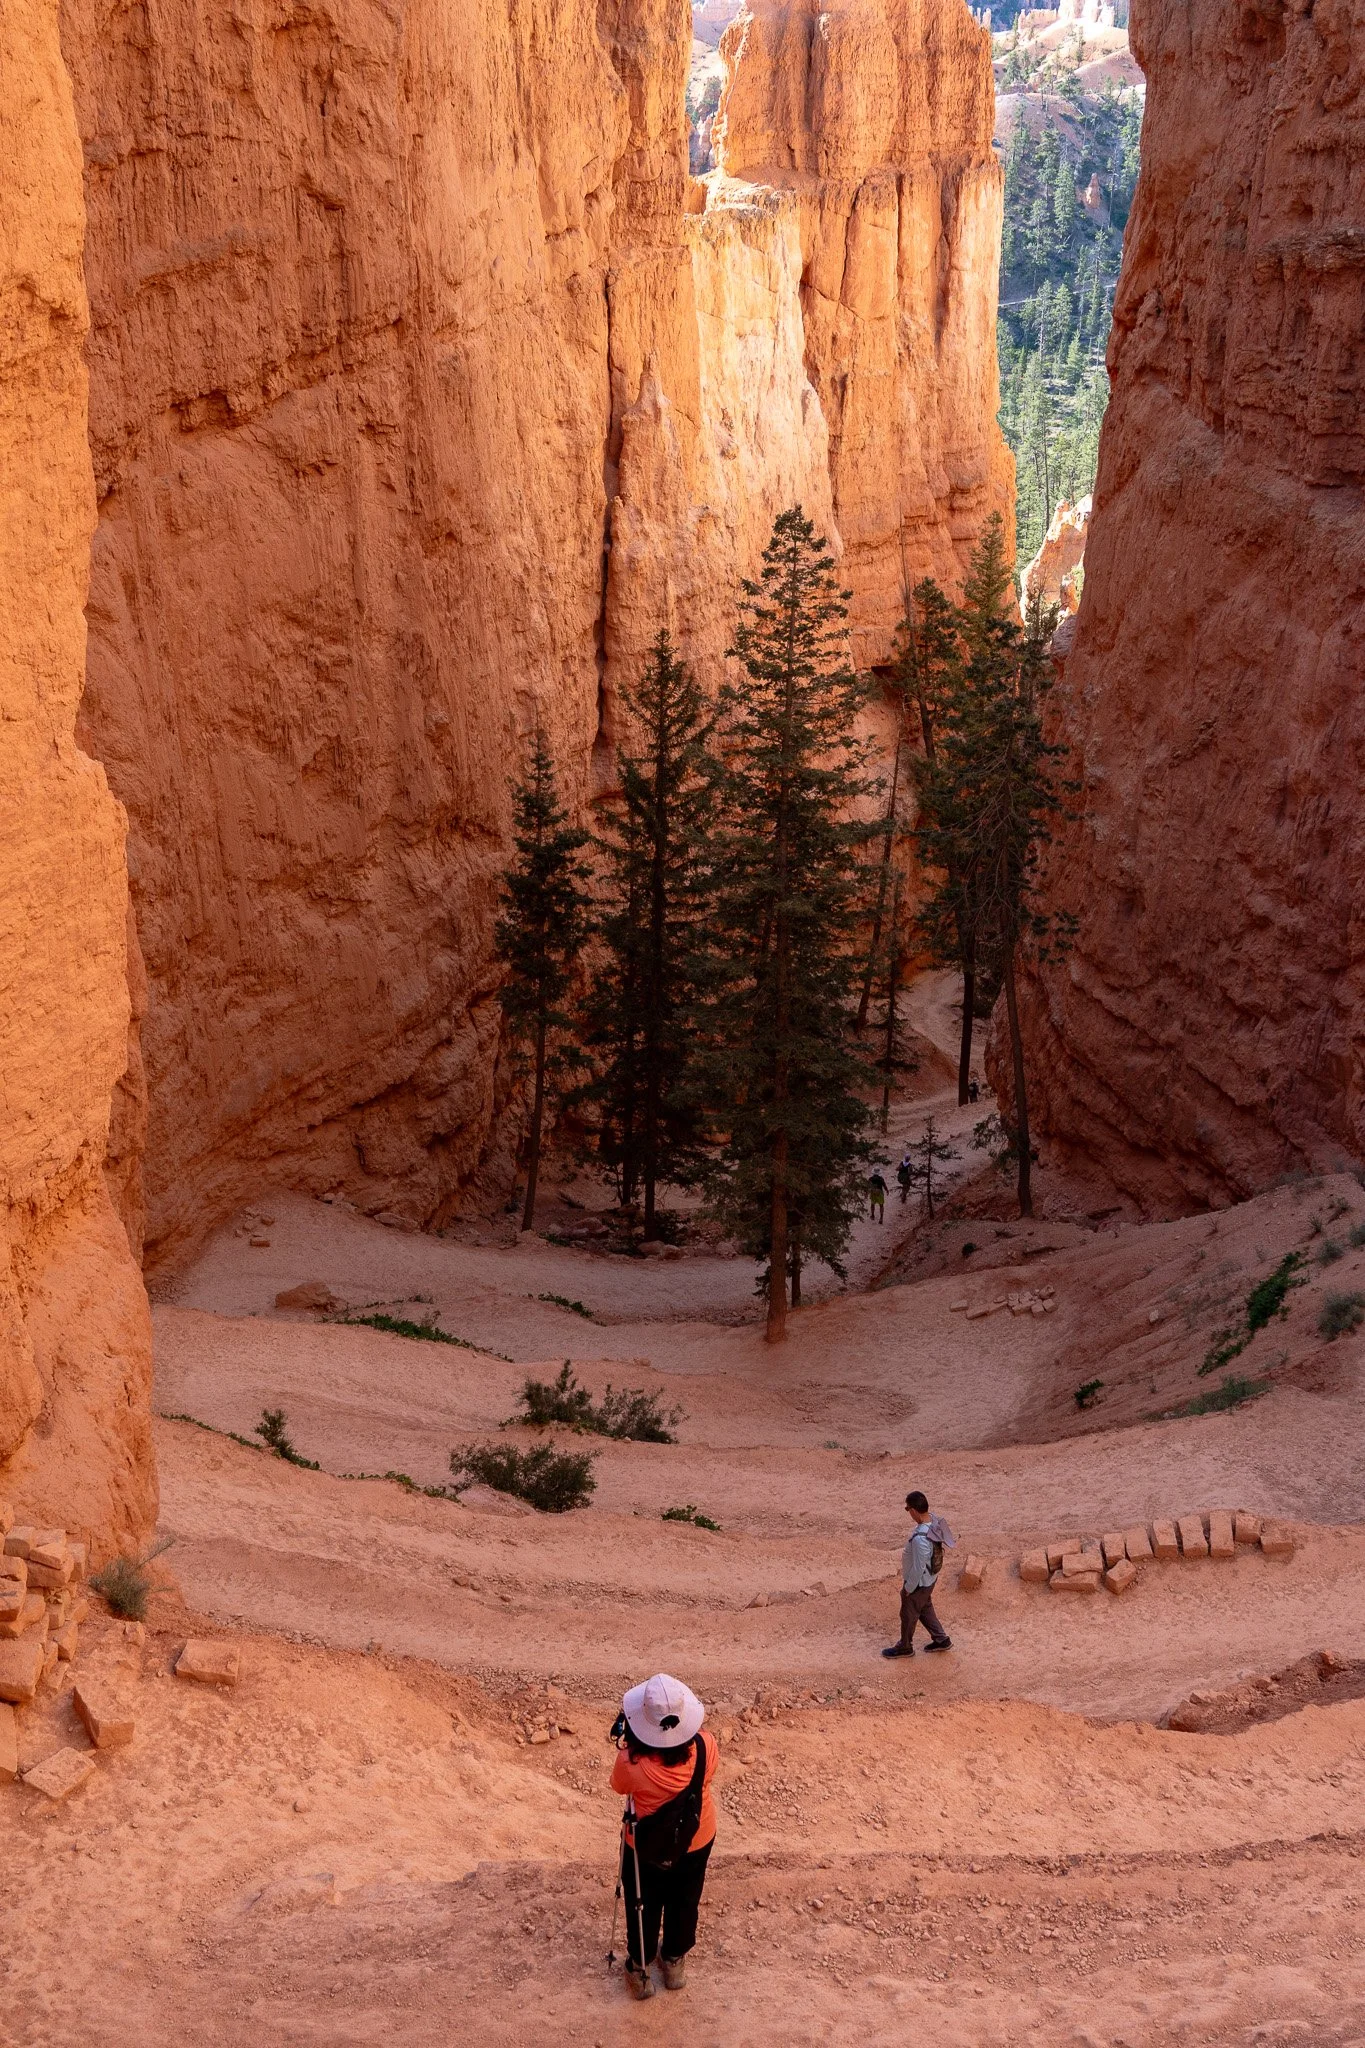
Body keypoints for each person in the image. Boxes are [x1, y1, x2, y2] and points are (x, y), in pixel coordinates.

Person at [610, 1672, 718, 2000]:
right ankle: (673, 1964)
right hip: (697, 1837)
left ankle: (640, 1970)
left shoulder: (631, 1762)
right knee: (685, 1899)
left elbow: (619, 1787)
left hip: (646, 1848)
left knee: (642, 1902)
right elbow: (708, 1776)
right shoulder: (706, 1745)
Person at [882, 1490, 954, 1658]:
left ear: (914, 1510)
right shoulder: (933, 1521)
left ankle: (905, 1647)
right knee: (924, 1608)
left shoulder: (920, 1539)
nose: (909, 1513)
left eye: (908, 1509)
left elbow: (918, 1567)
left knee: (908, 1614)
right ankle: (941, 1640)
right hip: (930, 1579)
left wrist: (908, 1588)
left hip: (919, 1584)